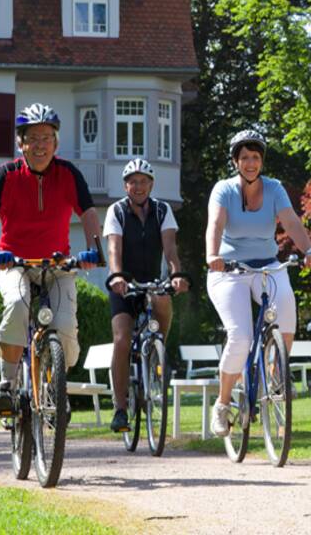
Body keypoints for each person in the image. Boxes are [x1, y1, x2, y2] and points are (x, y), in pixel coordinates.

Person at [0, 103, 102, 417]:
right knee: (17, 306)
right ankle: (7, 384)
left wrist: (93, 250)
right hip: (14, 262)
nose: (40, 144)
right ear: (21, 144)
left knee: (65, 330)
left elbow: (88, 215)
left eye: (47, 137)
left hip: (57, 263)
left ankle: (53, 379)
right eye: (33, 138)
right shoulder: (5, 175)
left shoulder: (68, 174)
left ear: (56, 143)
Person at [205, 130, 311, 437]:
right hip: (229, 270)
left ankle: (277, 375)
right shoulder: (224, 190)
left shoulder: (274, 188)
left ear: (262, 161)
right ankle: (223, 404)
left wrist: (307, 249)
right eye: (244, 158)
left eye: (255, 157)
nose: (251, 163)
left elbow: (291, 221)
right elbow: (215, 224)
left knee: (286, 314)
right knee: (241, 336)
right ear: (236, 161)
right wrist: (212, 254)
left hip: (268, 265)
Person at [104, 158, 189, 432]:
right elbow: (114, 250)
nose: (138, 186)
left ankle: (157, 351)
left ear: (151, 184)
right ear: (126, 185)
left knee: (163, 299)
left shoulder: (163, 210)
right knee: (122, 339)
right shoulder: (116, 211)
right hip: (124, 285)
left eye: (143, 181)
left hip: (152, 281)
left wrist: (176, 275)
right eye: (133, 182)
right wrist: (117, 276)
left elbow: (171, 250)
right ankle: (120, 408)